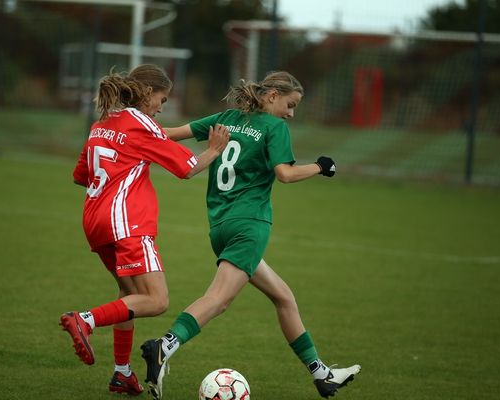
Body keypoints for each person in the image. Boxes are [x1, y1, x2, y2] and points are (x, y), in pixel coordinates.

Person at [141, 71, 360, 399]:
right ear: (272, 95)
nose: (291, 113)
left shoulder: (228, 117)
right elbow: (285, 174)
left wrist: (129, 124)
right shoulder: (274, 128)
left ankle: (321, 374)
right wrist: (320, 166)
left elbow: (168, 133)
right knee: (218, 299)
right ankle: (163, 347)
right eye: (290, 104)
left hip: (219, 227)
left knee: (283, 297)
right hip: (250, 226)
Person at [61, 64, 230, 396]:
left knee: (130, 296)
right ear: (149, 92)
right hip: (127, 223)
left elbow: (81, 175)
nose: (161, 107)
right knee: (157, 300)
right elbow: (187, 168)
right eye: (162, 99)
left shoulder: (103, 123)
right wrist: (213, 149)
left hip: (94, 222)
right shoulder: (142, 124)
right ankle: (85, 320)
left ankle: (122, 373)